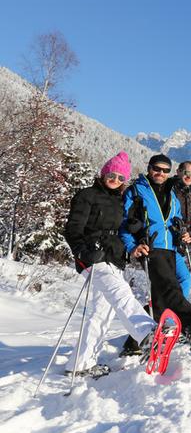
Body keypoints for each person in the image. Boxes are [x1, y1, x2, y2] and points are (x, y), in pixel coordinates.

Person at [63, 152, 157, 377]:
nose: (115, 180)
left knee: (101, 312)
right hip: (93, 256)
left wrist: (134, 231)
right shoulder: (87, 195)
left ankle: (81, 364)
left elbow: (122, 229)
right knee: (121, 293)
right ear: (103, 174)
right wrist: (82, 251)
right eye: (111, 175)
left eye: (120, 177)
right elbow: (73, 228)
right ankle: (147, 333)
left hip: (115, 258)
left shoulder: (121, 200)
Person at [120, 154, 191, 342]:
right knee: (169, 286)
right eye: (157, 168)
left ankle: (135, 342)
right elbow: (123, 223)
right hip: (149, 247)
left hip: (170, 247)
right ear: (149, 168)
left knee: (165, 293)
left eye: (165, 170)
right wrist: (132, 246)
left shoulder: (172, 194)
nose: (160, 173)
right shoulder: (136, 191)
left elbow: (176, 221)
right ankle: (190, 325)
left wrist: (183, 235)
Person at [165, 160, 191, 300]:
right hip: (166, 241)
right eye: (187, 173)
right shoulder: (170, 189)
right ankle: (172, 310)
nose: (190, 177)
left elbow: (184, 219)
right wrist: (180, 229)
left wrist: (187, 232)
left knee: (183, 280)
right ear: (178, 171)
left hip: (177, 242)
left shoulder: (186, 191)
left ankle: (171, 309)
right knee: (181, 279)